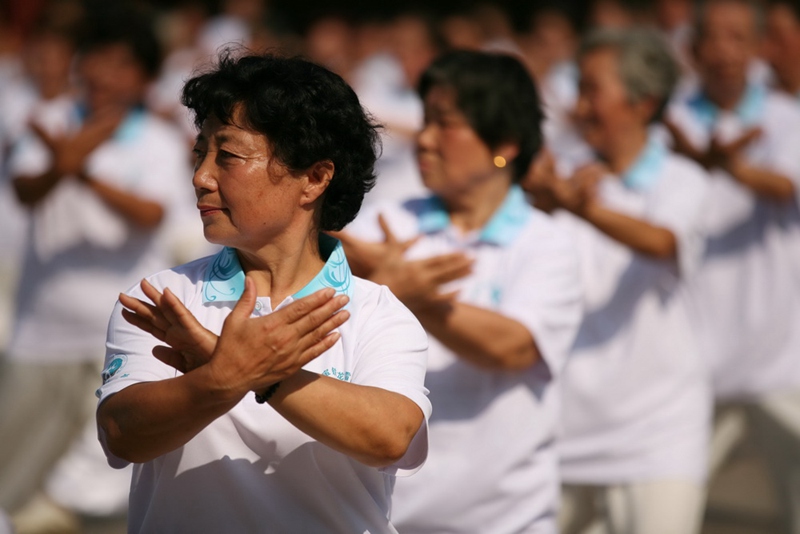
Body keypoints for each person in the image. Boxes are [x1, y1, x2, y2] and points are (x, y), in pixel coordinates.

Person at [95, 51, 432, 533]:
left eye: (228, 156)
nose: (201, 177)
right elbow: (121, 433)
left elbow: (389, 438)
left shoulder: (376, 312)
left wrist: (256, 374)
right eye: (200, 153)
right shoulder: (165, 298)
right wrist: (220, 379)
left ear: (314, 178)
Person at [340, 50, 583, 533]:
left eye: (445, 123)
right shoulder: (387, 220)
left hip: (508, 518)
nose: (425, 138)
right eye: (425, 119)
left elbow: (514, 346)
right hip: (387, 516)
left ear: (505, 143)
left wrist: (408, 295)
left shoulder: (547, 241)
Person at [0, 5, 193, 530]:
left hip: (127, 339)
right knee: (10, 475)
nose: (106, 75)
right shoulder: (49, 120)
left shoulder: (155, 139)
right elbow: (24, 190)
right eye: (97, 59)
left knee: (110, 493)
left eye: (123, 64)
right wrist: (59, 168)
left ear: (145, 79)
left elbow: (152, 213)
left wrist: (78, 171)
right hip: (42, 333)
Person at [526, 29, 711, 534]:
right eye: (578, 90)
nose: (579, 106)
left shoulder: (682, 179)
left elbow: (662, 241)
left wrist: (578, 208)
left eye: (593, 91)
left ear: (643, 102)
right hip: (563, 430)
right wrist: (542, 203)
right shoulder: (564, 176)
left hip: (658, 434)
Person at [666, 1, 800, 530]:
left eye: (737, 38)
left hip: (780, 354)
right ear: (692, 48)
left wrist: (723, 165)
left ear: (758, 47)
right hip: (695, 355)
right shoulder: (668, 121)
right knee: (668, 503)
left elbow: (785, 185)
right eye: (713, 38)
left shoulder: (787, 117)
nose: (724, 51)